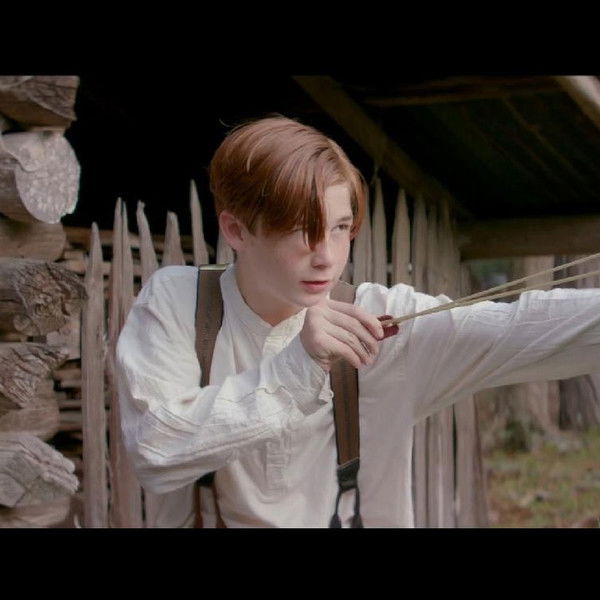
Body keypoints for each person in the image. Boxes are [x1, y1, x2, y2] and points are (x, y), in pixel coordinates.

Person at [116, 115, 600, 527]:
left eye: (340, 228)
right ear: (236, 230)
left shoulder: (381, 317)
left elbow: (523, 326)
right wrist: (300, 366)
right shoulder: (180, 301)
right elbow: (155, 451)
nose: (326, 257)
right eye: (300, 231)